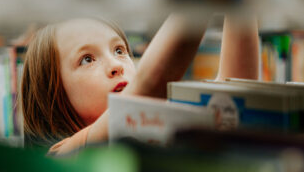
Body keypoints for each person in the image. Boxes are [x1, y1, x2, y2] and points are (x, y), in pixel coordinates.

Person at [20, 12, 259, 155]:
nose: (116, 65)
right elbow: (149, 84)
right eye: (87, 59)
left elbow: (235, 96)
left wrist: (240, 1)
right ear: (50, 95)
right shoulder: (62, 155)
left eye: (119, 50)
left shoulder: (160, 122)